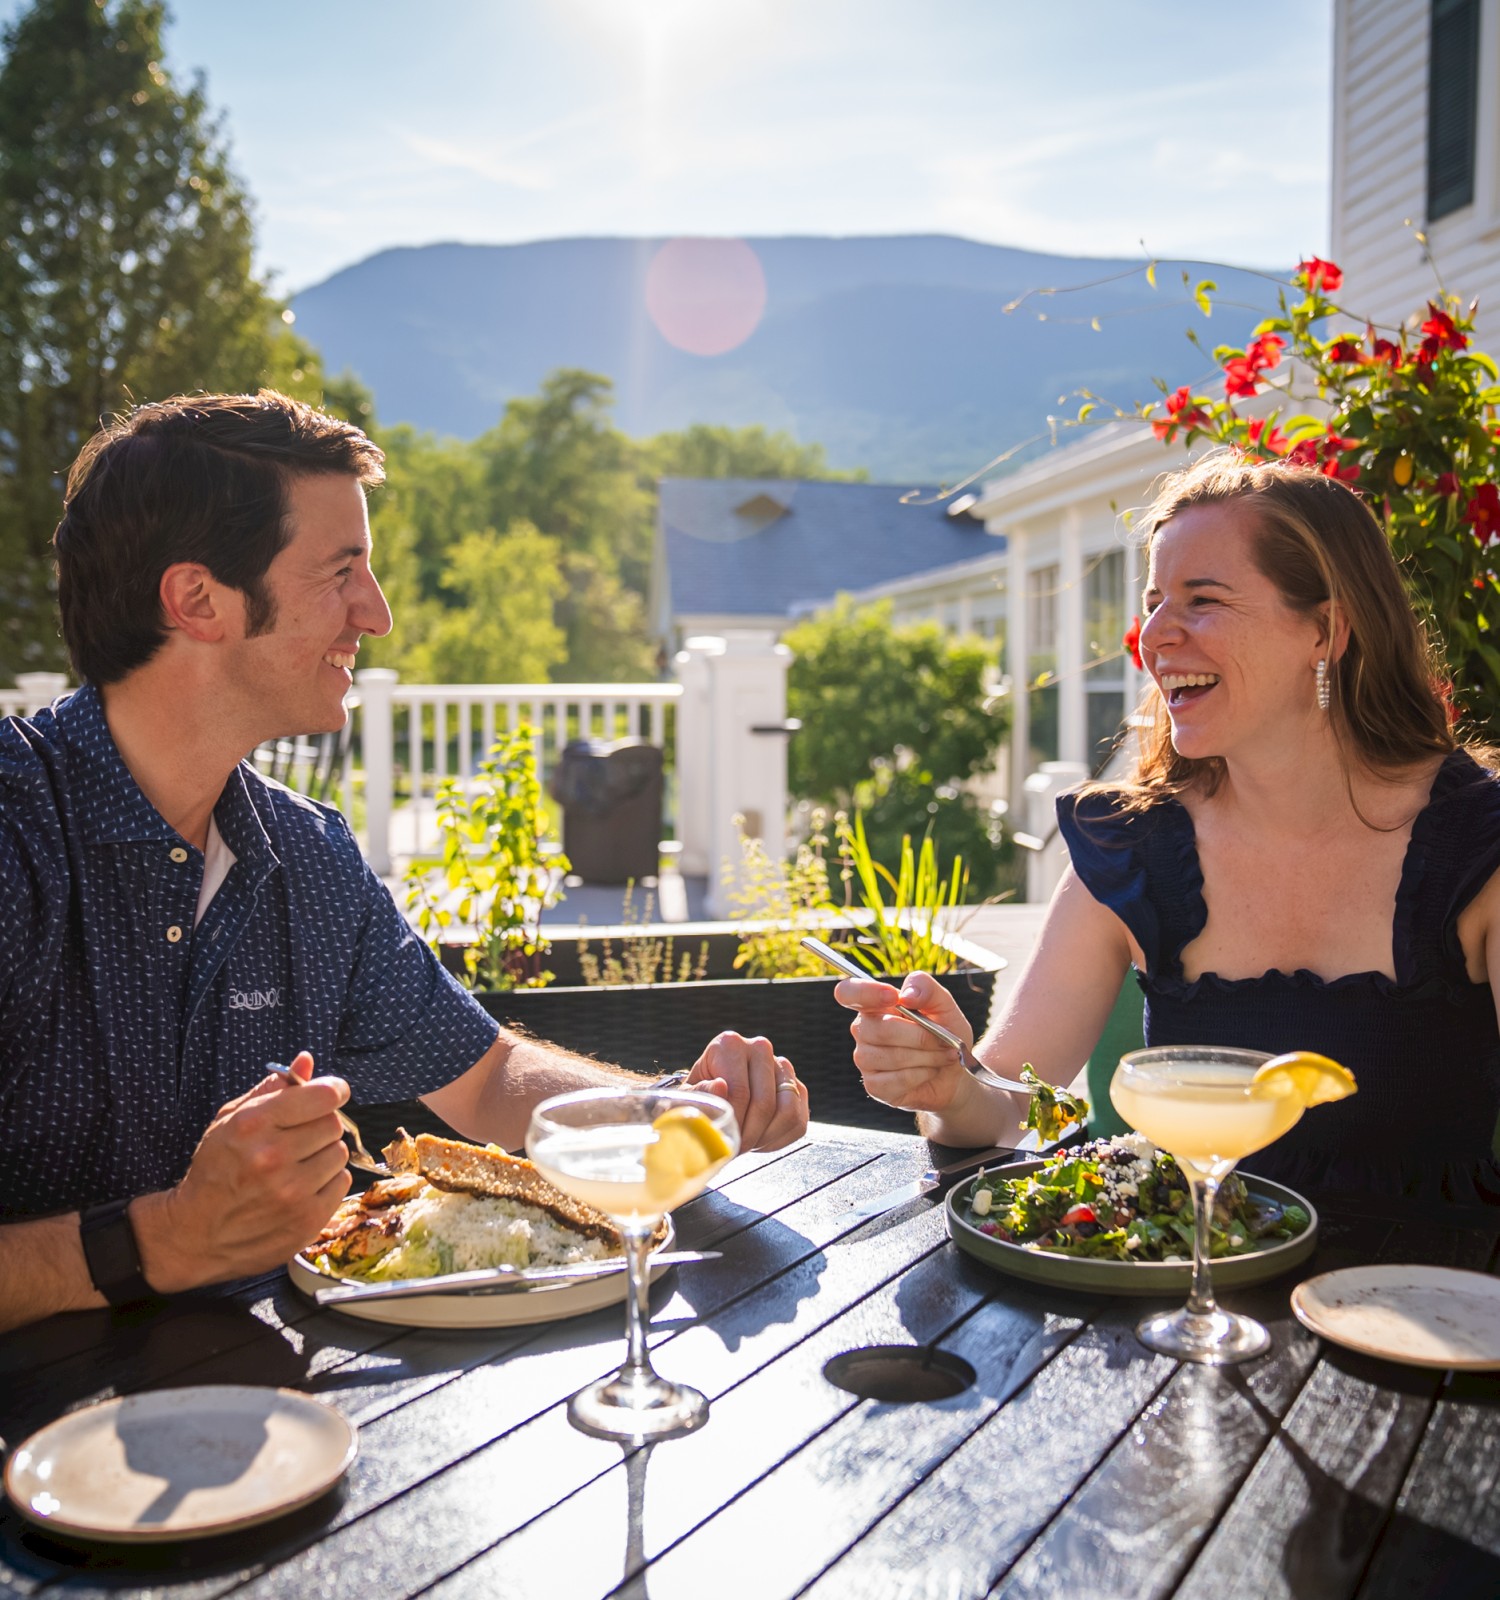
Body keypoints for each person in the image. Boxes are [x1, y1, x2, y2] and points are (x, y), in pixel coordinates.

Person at [0, 390, 808, 1334]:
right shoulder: (17, 838)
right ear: (197, 601)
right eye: (341, 572)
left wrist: (678, 1111)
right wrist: (161, 1241)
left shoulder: (304, 857)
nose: (375, 615)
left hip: (280, 1421)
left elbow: (488, 1076)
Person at [838, 453, 1500, 1204]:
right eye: (1153, 602)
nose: (1155, 636)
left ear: (1325, 630)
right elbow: (1008, 1105)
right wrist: (948, 1081)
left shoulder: (1478, 846)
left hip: (1424, 1303)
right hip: (1178, 1298)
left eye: (1202, 600)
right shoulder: (1136, 842)